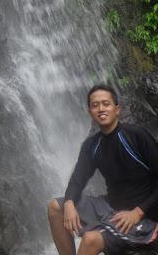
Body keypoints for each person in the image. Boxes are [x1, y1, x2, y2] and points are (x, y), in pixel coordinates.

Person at [48, 84, 158, 255]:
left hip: (143, 216)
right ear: (90, 112)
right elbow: (78, 179)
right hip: (110, 208)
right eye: (95, 105)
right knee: (56, 207)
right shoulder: (92, 145)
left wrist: (138, 212)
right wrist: (69, 203)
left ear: (117, 109)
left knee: (90, 239)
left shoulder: (136, 136)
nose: (101, 109)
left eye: (106, 104)